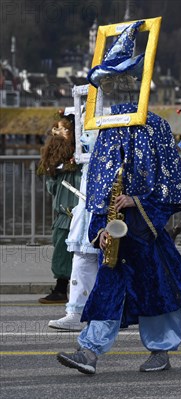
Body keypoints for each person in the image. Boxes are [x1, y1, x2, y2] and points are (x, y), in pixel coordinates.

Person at [56, 20, 181, 375]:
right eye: (108, 83)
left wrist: (139, 202)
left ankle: (161, 351)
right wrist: (99, 227)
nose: (111, 89)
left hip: (145, 229)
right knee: (107, 288)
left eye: (116, 82)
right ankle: (89, 352)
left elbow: (172, 182)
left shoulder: (154, 126)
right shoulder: (105, 129)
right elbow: (96, 183)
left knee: (156, 290)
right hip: (114, 228)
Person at [48, 123, 99, 331]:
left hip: (101, 214)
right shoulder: (82, 160)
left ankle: (112, 312)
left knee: (108, 264)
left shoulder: (106, 156)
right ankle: (76, 312)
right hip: (84, 213)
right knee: (81, 261)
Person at [37, 111, 82, 304]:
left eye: (63, 128)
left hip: (75, 210)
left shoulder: (80, 157)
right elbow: (51, 188)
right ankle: (62, 288)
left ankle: (63, 289)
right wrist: (52, 171)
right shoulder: (57, 159)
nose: (57, 131)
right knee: (62, 250)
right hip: (63, 211)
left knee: (73, 252)